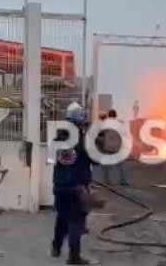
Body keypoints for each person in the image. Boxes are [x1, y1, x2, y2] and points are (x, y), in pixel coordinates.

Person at [52, 104, 95, 265]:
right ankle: (74, 257)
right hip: (76, 187)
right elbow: (95, 160)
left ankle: (56, 246)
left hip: (59, 185)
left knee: (61, 217)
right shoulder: (82, 140)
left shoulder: (58, 137)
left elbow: (52, 159)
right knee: (75, 221)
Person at [101, 109, 130, 186]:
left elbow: (101, 133)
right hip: (118, 147)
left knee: (106, 164)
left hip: (108, 146)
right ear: (116, 115)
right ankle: (123, 180)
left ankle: (106, 180)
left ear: (108, 115)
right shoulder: (120, 123)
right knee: (122, 164)